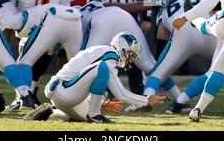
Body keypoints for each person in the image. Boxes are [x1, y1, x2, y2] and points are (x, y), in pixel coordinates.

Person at [146, 0, 224, 114]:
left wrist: (160, 65)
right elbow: (219, 8)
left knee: (156, 75)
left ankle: (145, 100)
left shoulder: (166, 5)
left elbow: (162, 34)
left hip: (180, 36)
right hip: (205, 29)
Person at [23, 32, 166, 123]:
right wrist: (147, 100)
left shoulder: (101, 51)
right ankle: (95, 115)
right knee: (101, 68)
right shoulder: (110, 55)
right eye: (130, 55)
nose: (129, 60)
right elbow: (120, 93)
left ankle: (50, 113)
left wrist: (103, 103)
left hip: (63, 92)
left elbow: (84, 82)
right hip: (64, 90)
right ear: (122, 49)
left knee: (82, 118)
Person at [0, 3, 83, 110]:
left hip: (52, 18)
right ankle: (89, 101)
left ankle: (24, 100)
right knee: (79, 64)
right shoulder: (35, 14)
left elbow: (5, 25)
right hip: (75, 19)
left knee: (23, 62)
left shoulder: (19, 19)